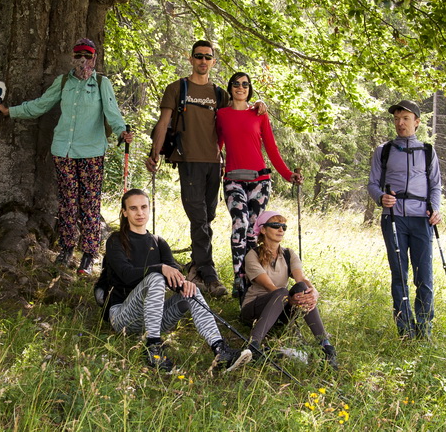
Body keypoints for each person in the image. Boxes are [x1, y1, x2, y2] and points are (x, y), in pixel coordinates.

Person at [0, 38, 132, 275]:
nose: (83, 60)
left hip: (91, 153)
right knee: (68, 202)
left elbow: (113, 114)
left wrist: (123, 132)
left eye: (87, 56)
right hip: (63, 151)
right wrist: (10, 111)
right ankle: (67, 248)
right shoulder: (63, 82)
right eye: (78, 55)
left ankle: (89, 254)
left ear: (94, 58)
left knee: (89, 204)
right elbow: (40, 105)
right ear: (72, 58)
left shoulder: (102, 83)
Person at [103, 189, 252, 372]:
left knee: (192, 289)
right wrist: (160, 268)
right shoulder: (116, 240)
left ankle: (220, 351)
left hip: (155, 320)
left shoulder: (158, 242)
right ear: (124, 212)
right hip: (123, 317)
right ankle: (153, 349)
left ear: (149, 209)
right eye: (133, 208)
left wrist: (183, 284)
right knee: (156, 277)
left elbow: (173, 279)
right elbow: (126, 274)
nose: (140, 212)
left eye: (143, 207)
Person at [146, 40, 231, 297]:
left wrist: (258, 106)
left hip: (214, 162)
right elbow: (163, 123)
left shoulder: (220, 94)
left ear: (213, 61)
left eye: (208, 57)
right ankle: (210, 275)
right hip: (188, 160)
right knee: (198, 217)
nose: (203, 61)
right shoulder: (176, 88)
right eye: (199, 56)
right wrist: (154, 153)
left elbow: (234, 121)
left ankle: (195, 268)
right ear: (191, 58)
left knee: (207, 217)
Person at [217, 71, 302, 299]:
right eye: (236, 84)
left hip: (259, 182)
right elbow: (216, 146)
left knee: (253, 231)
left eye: (245, 84)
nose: (240, 87)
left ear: (250, 88)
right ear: (230, 87)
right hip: (233, 179)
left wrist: (288, 175)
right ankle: (239, 279)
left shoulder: (259, 113)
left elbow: (271, 148)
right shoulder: (222, 115)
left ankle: (254, 280)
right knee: (240, 223)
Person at [367, 100, 442, 339]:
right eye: (397, 119)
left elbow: (436, 186)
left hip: (422, 219)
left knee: (424, 277)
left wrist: (435, 209)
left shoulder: (427, 151)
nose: (400, 123)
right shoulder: (384, 150)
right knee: (399, 274)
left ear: (416, 122)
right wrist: (381, 198)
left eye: (406, 119)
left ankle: (424, 330)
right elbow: (372, 184)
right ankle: (405, 331)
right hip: (393, 218)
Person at [238, 211, 338, 369]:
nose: (281, 230)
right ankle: (253, 344)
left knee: (303, 289)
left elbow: (300, 278)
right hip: (254, 308)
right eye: (275, 226)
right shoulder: (253, 254)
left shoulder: (288, 254)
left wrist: (313, 291)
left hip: (281, 307)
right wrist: (290, 300)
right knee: (282, 292)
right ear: (263, 230)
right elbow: (270, 287)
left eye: (283, 227)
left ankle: (326, 345)